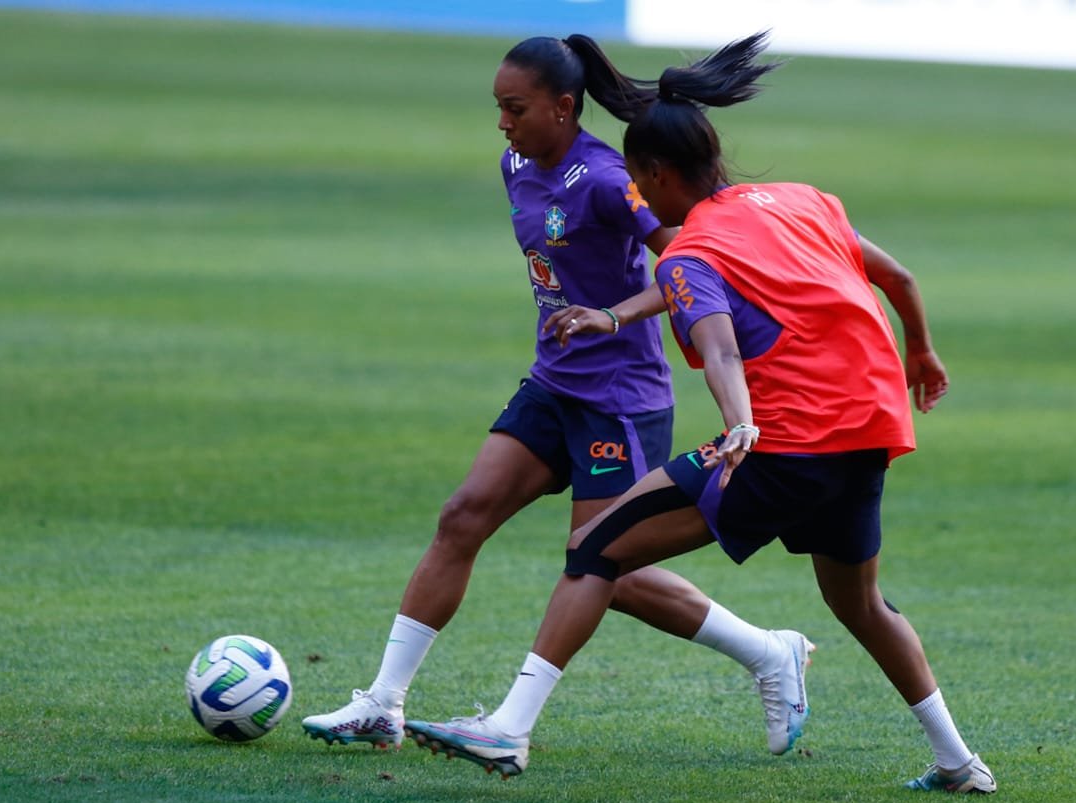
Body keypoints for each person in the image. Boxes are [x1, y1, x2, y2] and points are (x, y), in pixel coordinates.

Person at [404, 32, 996, 794]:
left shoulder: (689, 254)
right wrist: (922, 351)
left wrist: (740, 421)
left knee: (596, 548)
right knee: (860, 601)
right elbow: (896, 275)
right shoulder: (801, 202)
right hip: (869, 434)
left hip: (781, 442)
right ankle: (958, 761)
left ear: (653, 174)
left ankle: (508, 729)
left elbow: (717, 347)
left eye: (640, 185)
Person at [302, 34, 815, 759]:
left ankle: (768, 652)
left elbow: (691, 264)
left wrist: (612, 314)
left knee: (605, 564)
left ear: (564, 108)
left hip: (620, 399)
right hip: (555, 382)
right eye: (498, 109)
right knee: (462, 515)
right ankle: (382, 702)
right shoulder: (516, 163)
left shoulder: (609, 179)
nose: (503, 124)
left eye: (516, 108)